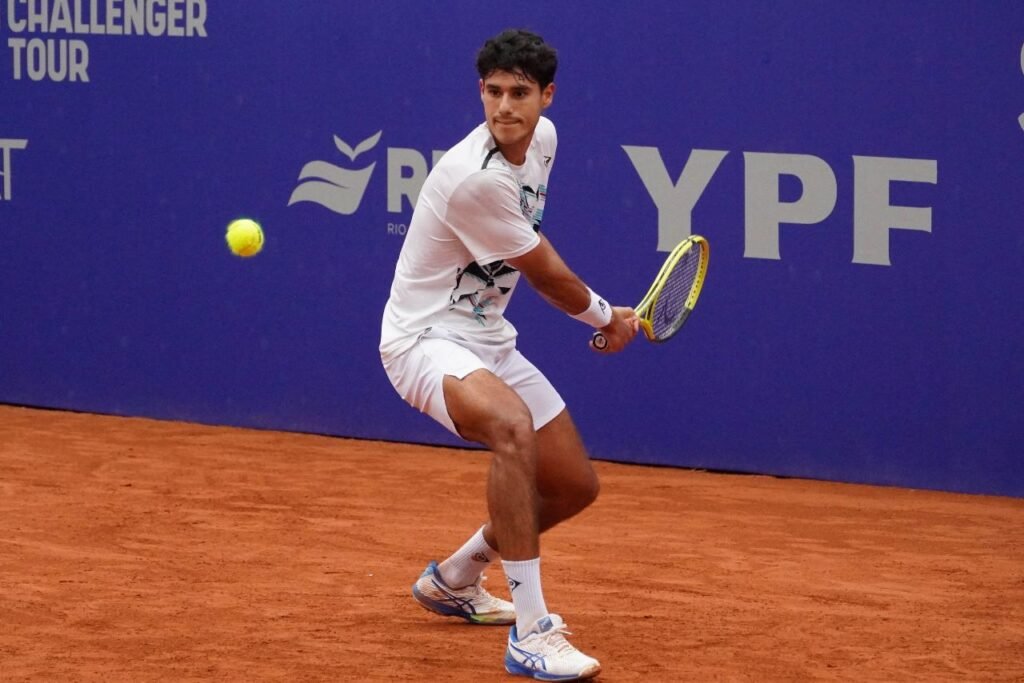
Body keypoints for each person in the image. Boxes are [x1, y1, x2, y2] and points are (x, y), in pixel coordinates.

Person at [379, 28, 638, 681]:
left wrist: (606, 316)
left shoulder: (543, 143)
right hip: (424, 340)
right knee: (511, 427)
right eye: (492, 91)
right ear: (481, 92)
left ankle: (455, 577)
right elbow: (548, 275)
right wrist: (608, 318)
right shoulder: (474, 179)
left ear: (546, 97)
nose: (503, 107)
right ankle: (533, 631)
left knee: (574, 486)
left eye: (519, 92)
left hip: (487, 336)